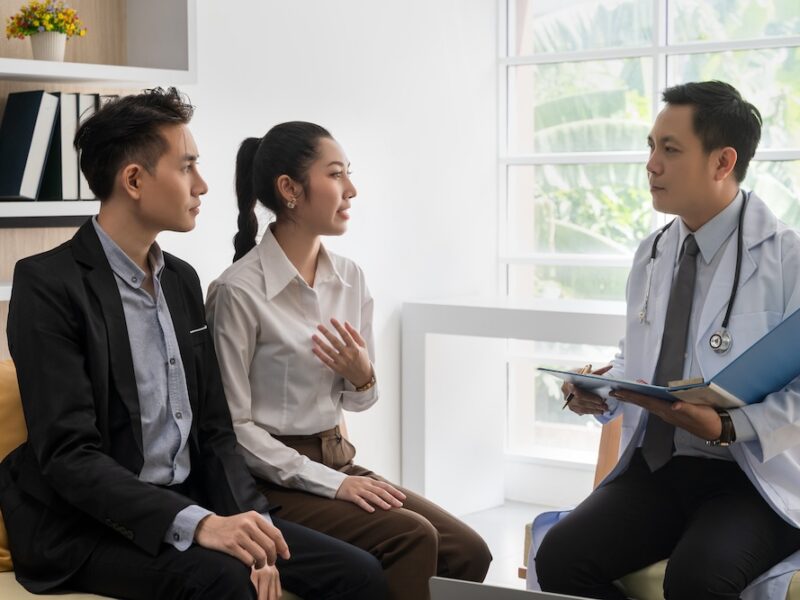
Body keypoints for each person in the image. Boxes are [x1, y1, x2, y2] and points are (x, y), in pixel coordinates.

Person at [0, 88, 387, 600]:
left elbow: (214, 429)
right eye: (187, 167)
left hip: (191, 498)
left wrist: (248, 521)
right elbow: (70, 456)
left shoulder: (181, 280)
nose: (203, 185)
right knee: (227, 583)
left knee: (359, 573)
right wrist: (200, 525)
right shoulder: (48, 285)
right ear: (134, 180)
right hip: (88, 524)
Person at [530, 80, 800, 599]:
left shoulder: (786, 257)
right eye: (651, 147)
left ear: (723, 162)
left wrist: (727, 426)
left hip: (753, 479)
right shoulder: (652, 253)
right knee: (561, 558)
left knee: (698, 581)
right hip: (660, 469)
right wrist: (602, 391)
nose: (651, 164)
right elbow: (639, 356)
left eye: (670, 150)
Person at [205, 121, 493, 600]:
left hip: (340, 461)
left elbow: (359, 401)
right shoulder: (238, 291)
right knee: (413, 536)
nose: (351, 190)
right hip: (273, 481)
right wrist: (332, 486)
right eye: (336, 175)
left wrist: (361, 377)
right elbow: (234, 430)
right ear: (289, 190)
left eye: (348, 174)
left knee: (468, 550)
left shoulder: (350, 279)